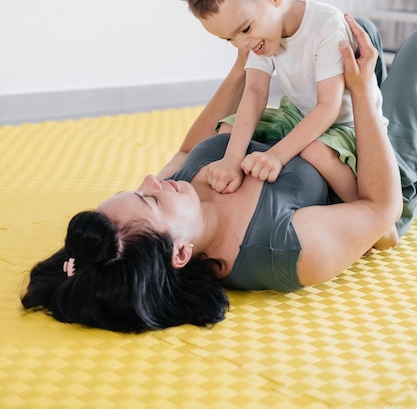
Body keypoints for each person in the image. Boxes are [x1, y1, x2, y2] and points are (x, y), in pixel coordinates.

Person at [21, 17, 416, 334]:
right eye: (151, 199)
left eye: (138, 189)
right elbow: (379, 206)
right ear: (179, 253)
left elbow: (185, 150)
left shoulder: (177, 201)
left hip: (313, 123)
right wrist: (363, 94)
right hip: (375, 169)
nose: (151, 180)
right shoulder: (288, 248)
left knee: (355, 28)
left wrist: (248, 58)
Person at [182, 0, 398, 249]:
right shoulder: (261, 36)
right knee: (230, 128)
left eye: (244, 29)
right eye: (228, 38)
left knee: (313, 151)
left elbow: (328, 107)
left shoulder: (325, 25)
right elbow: (254, 93)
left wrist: (276, 155)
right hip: (299, 112)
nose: (240, 44)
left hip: (345, 124)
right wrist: (231, 159)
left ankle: (376, 219)